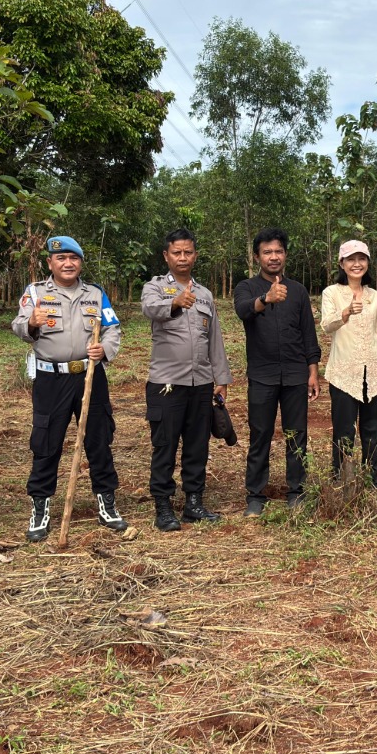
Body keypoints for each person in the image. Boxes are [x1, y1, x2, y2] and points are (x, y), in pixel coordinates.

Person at [12, 235, 127, 540]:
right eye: (61, 258)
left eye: (73, 258)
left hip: (90, 376)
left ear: (81, 263)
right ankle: (40, 509)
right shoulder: (35, 293)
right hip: (51, 379)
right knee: (46, 444)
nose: (67, 263)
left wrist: (104, 349)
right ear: (50, 263)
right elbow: (19, 327)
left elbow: (112, 328)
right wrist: (32, 323)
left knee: (99, 440)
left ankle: (107, 505)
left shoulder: (95, 294)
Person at [140, 228, 232, 532]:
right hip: (166, 383)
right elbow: (149, 309)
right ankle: (163, 506)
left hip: (201, 382)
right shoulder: (155, 288)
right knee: (165, 445)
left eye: (188, 252)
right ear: (166, 256)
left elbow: (214, 338)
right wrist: (176, 302)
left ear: (195, 255)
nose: (183, 258)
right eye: (176, 252)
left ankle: (194, 503)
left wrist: (221, 377)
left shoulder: (205, 294)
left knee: (197, 445)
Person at [233, 227, 320, 515]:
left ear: (285, 255)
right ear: (257, 257)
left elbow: (308, 334)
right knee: (260, 434)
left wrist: (312, 371)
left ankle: (297, 491)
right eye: (267, 252)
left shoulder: (298, 291)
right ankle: (256, 495)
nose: (273, 257)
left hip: (295, 374)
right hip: (262, 375)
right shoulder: (246, 287)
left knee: (297, 434)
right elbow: (243, 310)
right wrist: (266, 299)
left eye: (278, 251)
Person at [320, 240, 377, 487]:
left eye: (361, 259)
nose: (356, 264)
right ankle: (341, 482)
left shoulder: (375, 297)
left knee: (373, 431)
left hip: (374, 372)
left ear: (368, 262)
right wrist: (345, 313)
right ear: (341, 264)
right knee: (344, 431)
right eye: (350, 259)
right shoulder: (331, 293)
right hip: (344, 374)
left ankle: (373, 483)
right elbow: (326, 325)